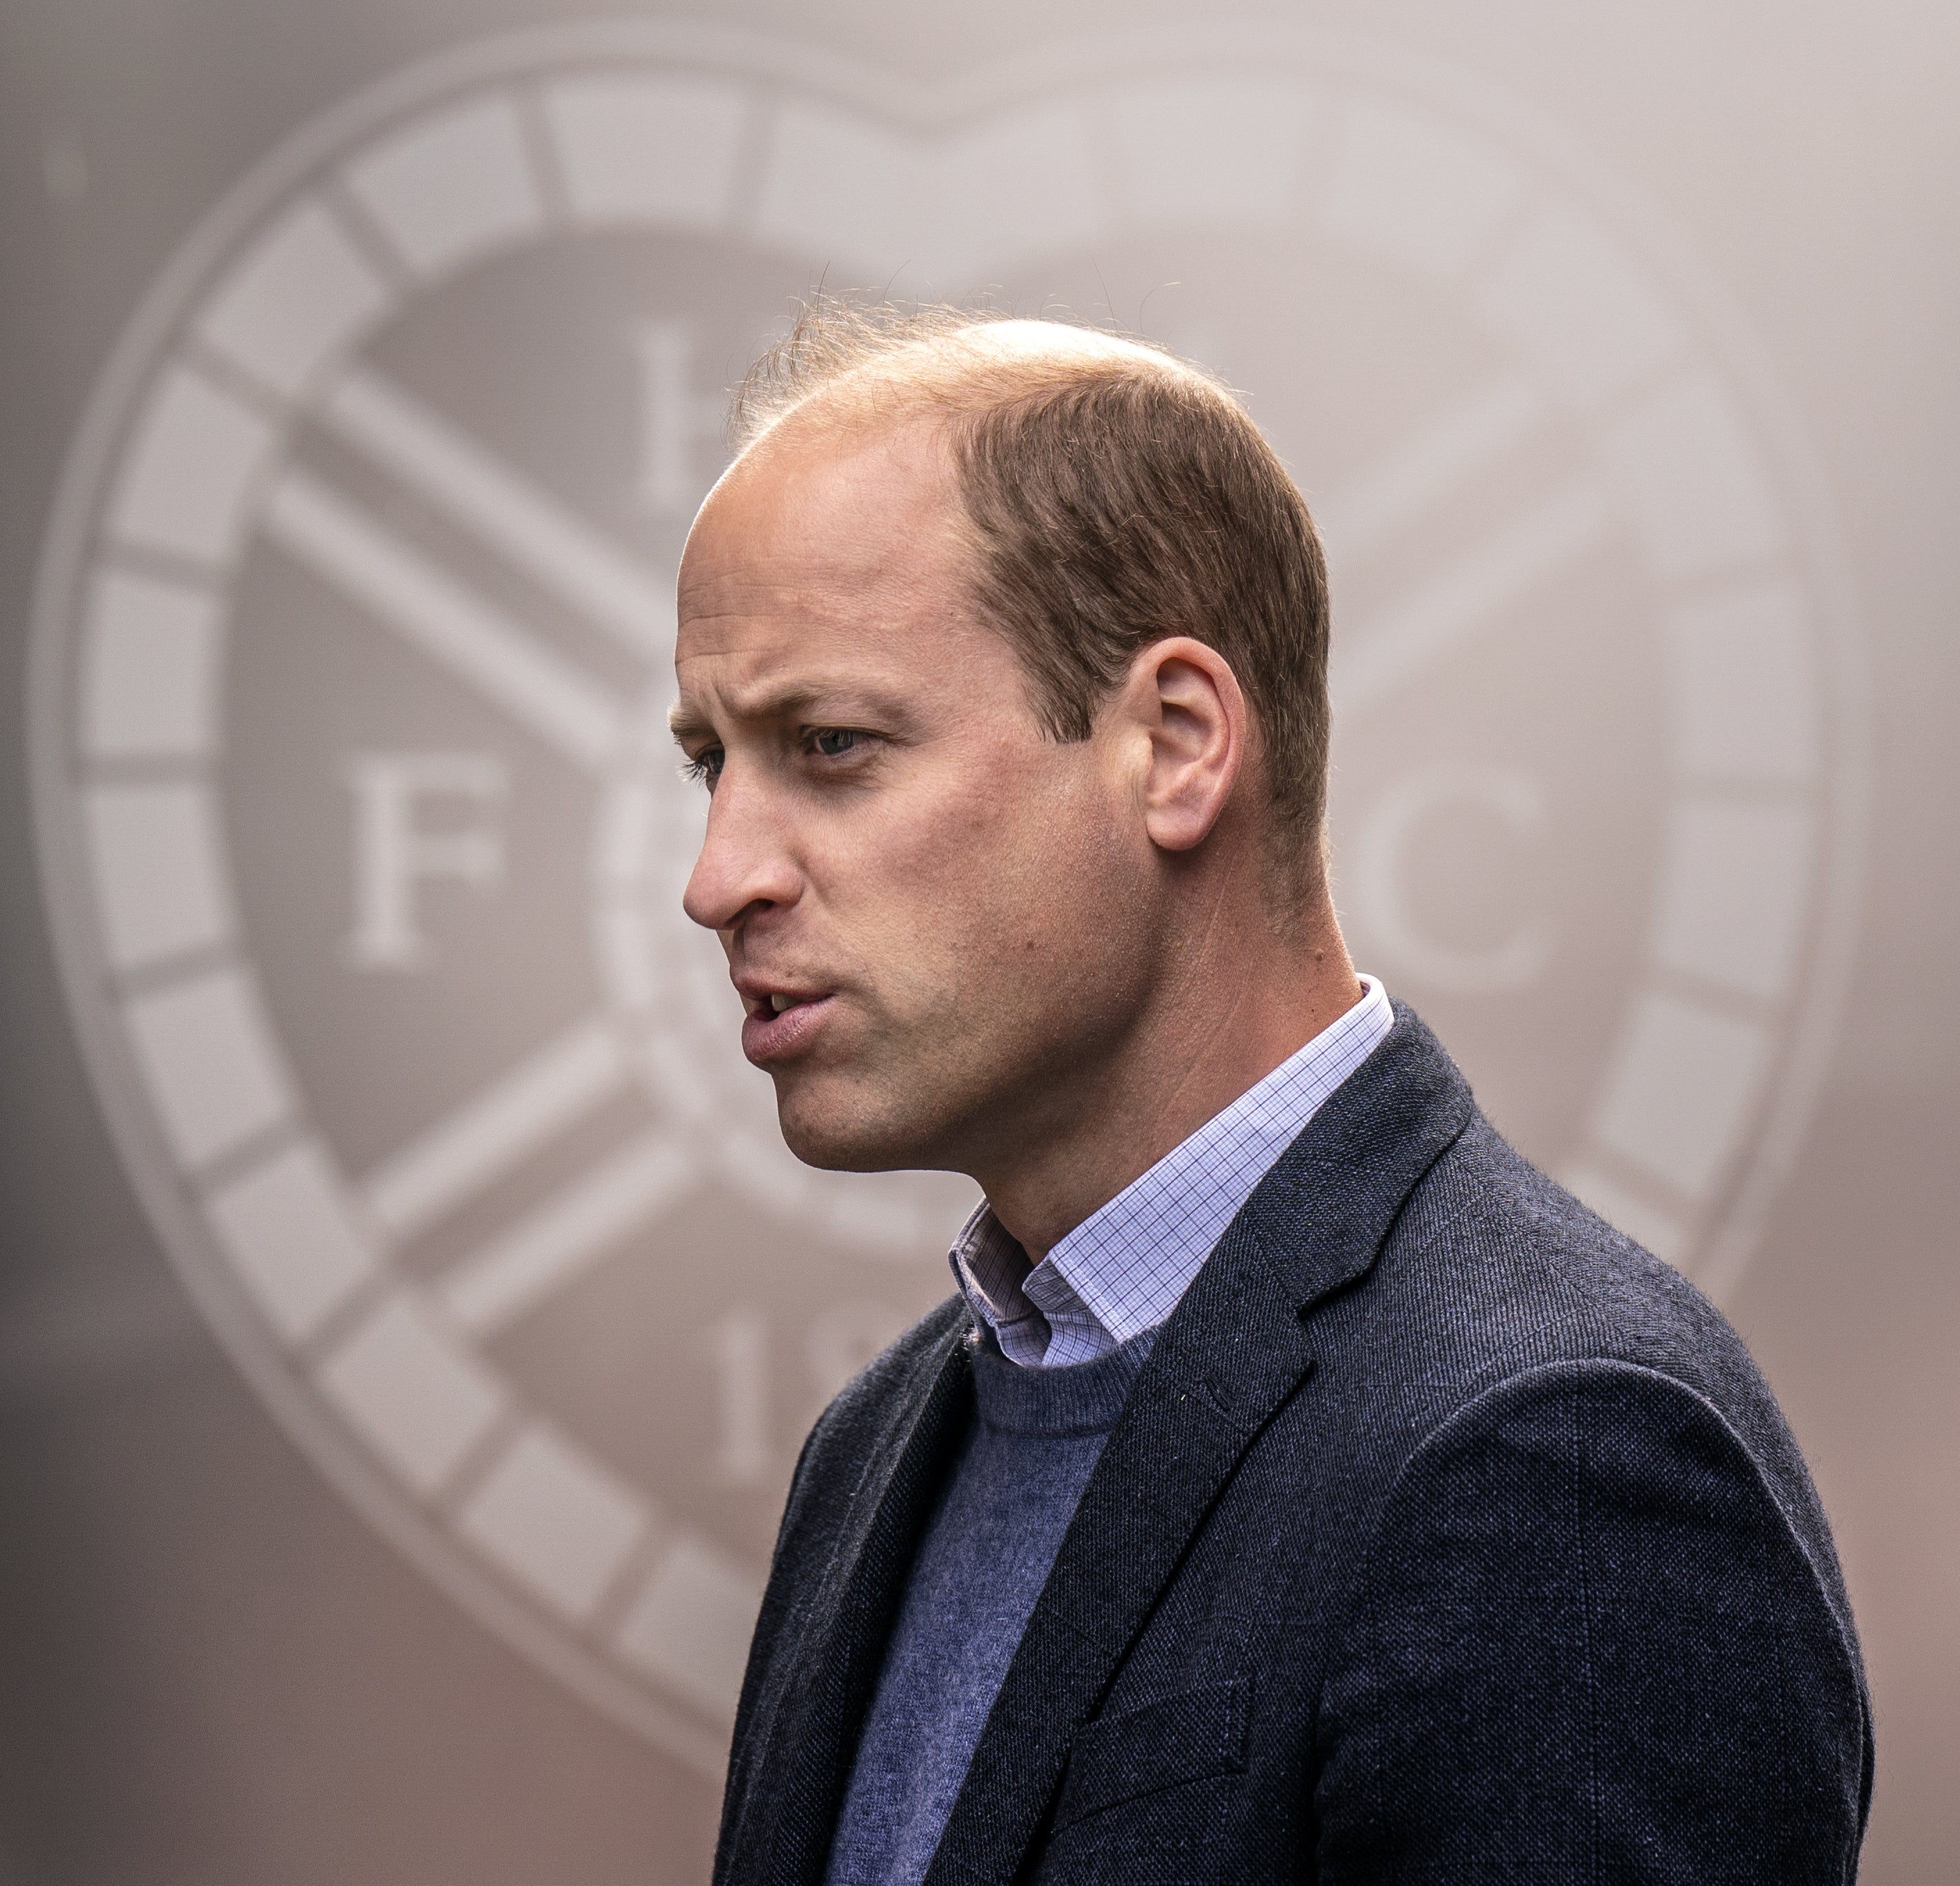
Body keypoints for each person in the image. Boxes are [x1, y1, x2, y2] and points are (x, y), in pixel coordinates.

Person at [670, 305, 1870, 1886]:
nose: (719, 878)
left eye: (831, 745)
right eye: (712, 763)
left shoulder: (1550, 1459)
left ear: (1174, 746)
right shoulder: (883, 1444)